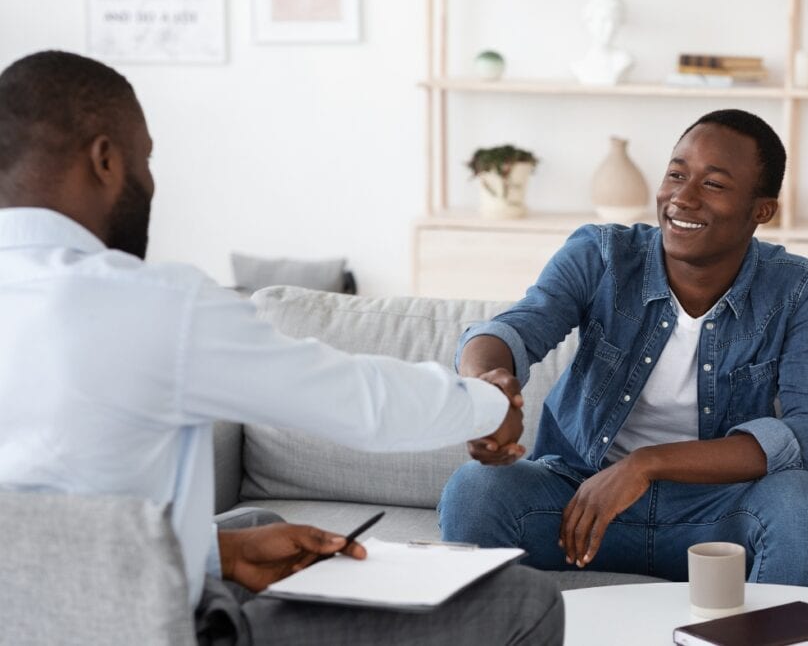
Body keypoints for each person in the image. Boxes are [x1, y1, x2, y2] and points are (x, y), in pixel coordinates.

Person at [0, 51, 561, 645]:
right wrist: (489, 404)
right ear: (106, 159)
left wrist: (217, 554)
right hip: (145, 630)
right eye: (145, 159)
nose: (151, 181)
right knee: (523, 599)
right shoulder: (150, 304)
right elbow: (361, 404)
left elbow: (43, 536)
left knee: (258, 528)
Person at [440, 108, 808, 590]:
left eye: (714, 184)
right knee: (475, 490)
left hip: (716, 515)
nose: (682, 197)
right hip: (581, 504)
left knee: (805, 501)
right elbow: (514, 330)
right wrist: (486, 386)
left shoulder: (797, 288)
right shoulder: (601, 255)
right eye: (676, 174)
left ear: (761, 210)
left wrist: (648, 463)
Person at [570, 0, 633, 86]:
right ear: (589, 22)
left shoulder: (624, 60)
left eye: (615, 21)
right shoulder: (578, 64)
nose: (610, 28)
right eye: (604, 20)